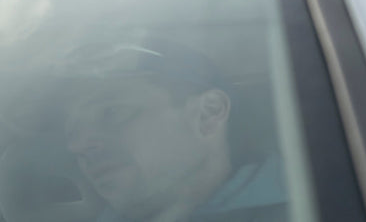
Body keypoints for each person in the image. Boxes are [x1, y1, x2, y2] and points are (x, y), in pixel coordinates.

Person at [59, 40, 285, 222]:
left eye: (113, 113)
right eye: (72, 131)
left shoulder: (310, 204)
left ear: (207, 113)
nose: (77, 145)